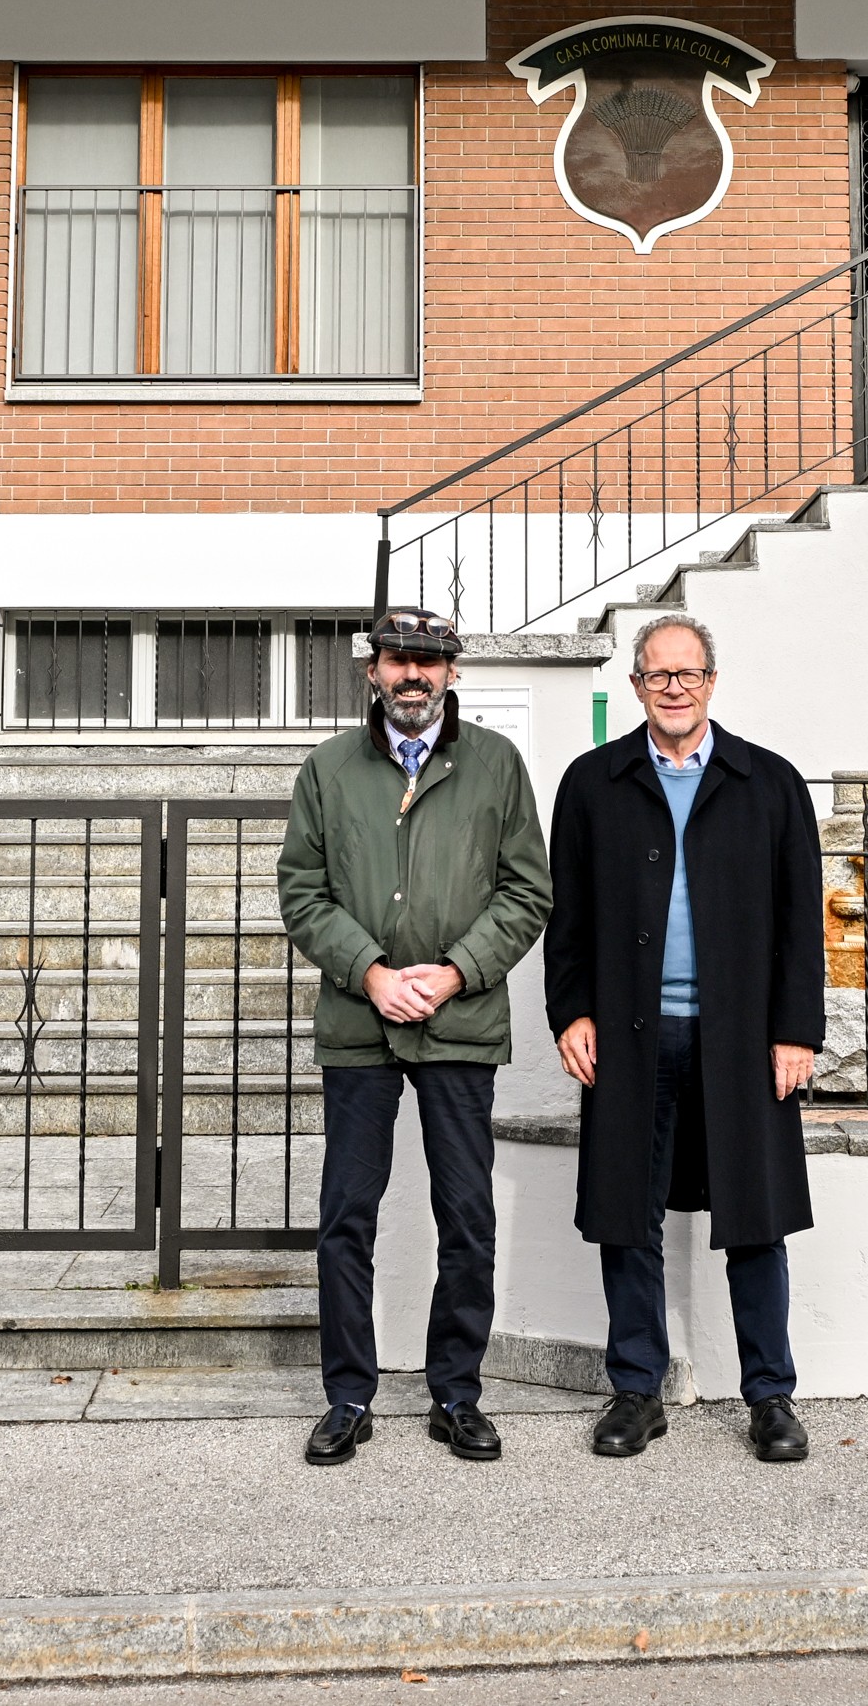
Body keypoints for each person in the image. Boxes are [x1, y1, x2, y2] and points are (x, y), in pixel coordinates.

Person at [275, 603, 552, 1468]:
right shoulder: (328, 768)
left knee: (466, 1215)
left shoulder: (496, 765)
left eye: (429, 661)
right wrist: (370, 972)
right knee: (346, 1215)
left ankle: (457, 1394)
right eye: (398, 659)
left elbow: (527, 891)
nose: (413, 674)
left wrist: (457, 970)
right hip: (359, 1024)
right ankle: (348, 1396)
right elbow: (301, 891)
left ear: (452, 672)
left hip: (460, 1024)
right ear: (373, 670)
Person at [542, 612, 822, 1464]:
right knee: (628, 1215)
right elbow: (568, 914)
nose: (674, 688)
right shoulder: (593, 782)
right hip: (630, 1036)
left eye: (688, 673)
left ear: (711, 681)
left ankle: (770, 1396)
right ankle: (637, 1389)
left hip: (742, 1039)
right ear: (636, 685)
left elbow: (799, 922)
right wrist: (572, 1011)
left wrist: (795, 1031)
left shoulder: (770, 782)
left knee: (755, 1215)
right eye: (658, 674)